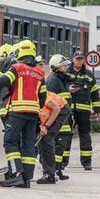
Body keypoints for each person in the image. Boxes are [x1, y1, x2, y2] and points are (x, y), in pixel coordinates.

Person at [0, 39, 46, 188]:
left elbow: (2, 82)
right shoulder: (40, 73)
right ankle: (26, 179)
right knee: (28, 145)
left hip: (16, 112)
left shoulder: (17, 68)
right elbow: (43, 96)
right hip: (32, 114)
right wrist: (36, 109)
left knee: (10, 142)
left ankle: (16, 174)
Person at [37, 54, 72, 184]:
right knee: (45, 142)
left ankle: (50, 174)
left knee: (46, 141)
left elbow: (55, 108)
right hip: (60, 110)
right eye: (64, 65)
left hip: (61, 110)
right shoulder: (54, 80)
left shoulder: (54, 80)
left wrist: (45, 126)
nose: (66, 68)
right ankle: (50, 172)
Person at [64, 51, 100, 170]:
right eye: (77, 59)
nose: (79, 61)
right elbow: (58, 88)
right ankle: (63, 162)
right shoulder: (65, 73)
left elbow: (95, 93)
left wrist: (97, 109)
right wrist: (67, 90)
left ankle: (86, 162)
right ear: (73, 59)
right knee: (66, 136)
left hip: (84, 112)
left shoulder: (89, 75)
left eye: (81, 59)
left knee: (85, 137)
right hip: (68, 111)